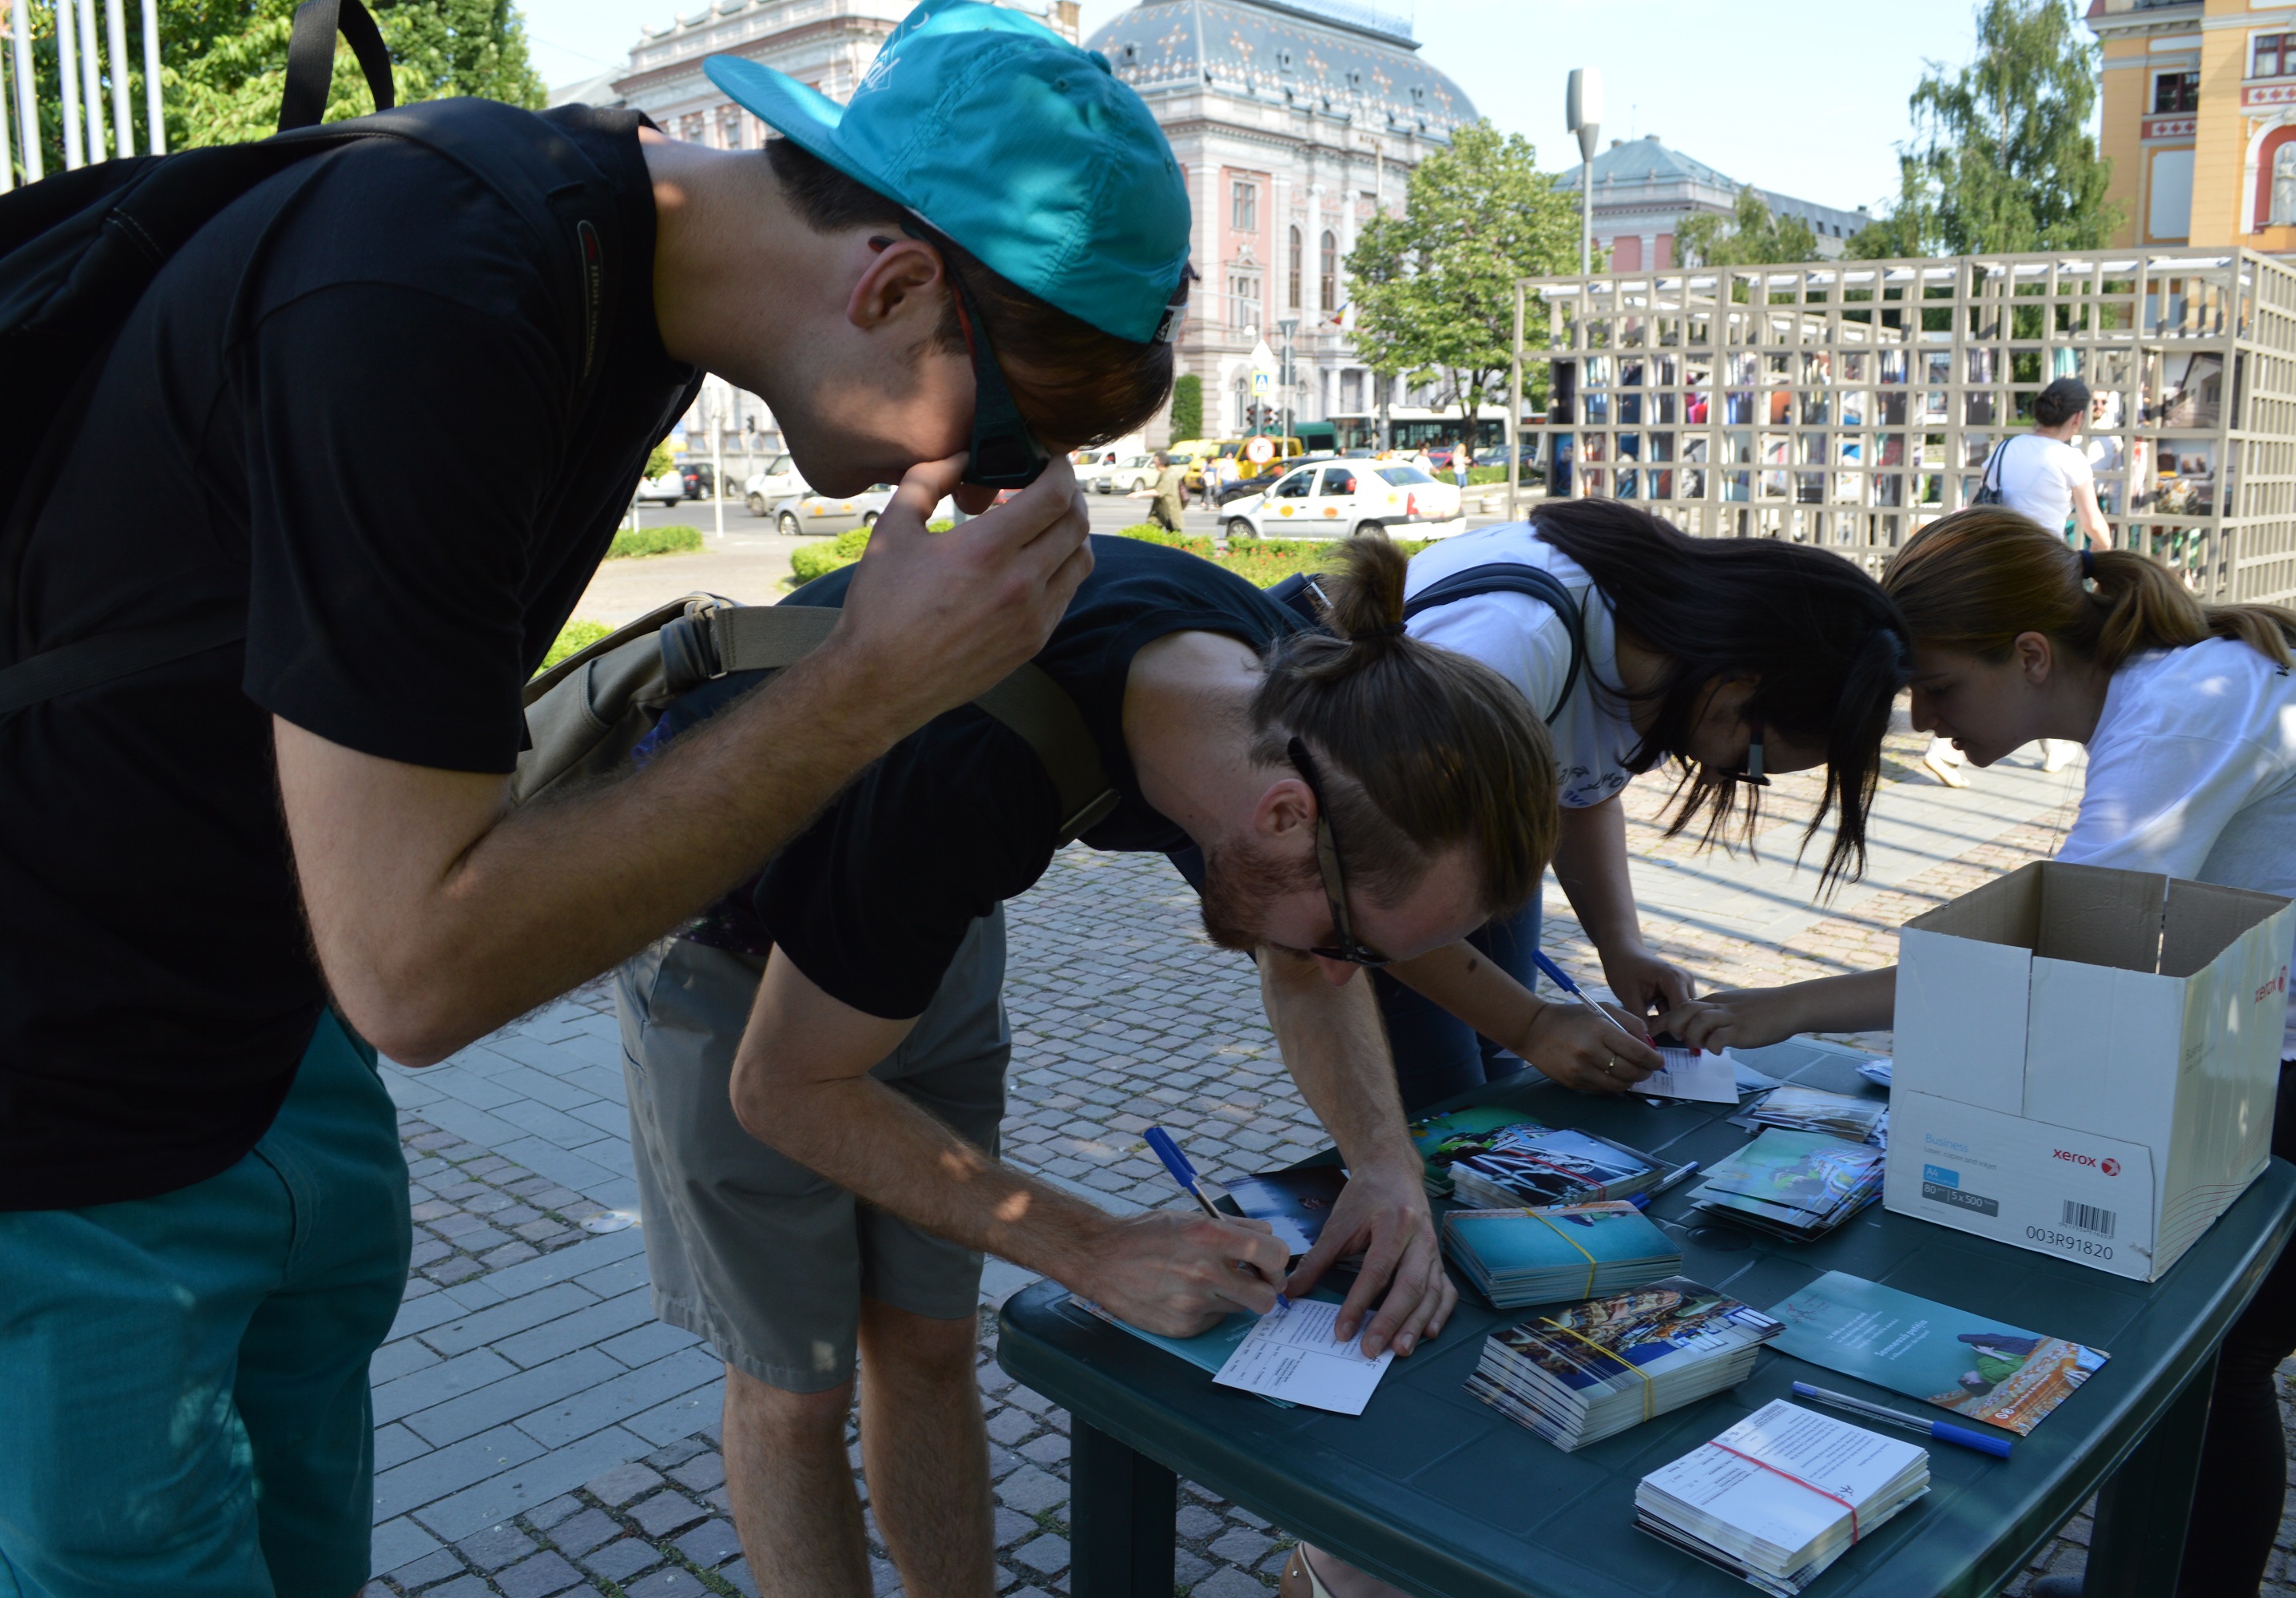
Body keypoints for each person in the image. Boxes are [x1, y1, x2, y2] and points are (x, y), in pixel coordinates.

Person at [0, 0, 1191, 1588]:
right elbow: (416, 968)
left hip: (263, 1041)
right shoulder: (434, 283)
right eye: (1003, 442)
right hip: (64, 1100)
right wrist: (863, 688)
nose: (983, 494)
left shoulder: (613, 277)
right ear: (897, 283)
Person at [620, 534, 1558, 1596]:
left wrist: (1386, 1167)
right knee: (796, 1388)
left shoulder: (1299, 714)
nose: (1352, 977)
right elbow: (784, 1089)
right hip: (732, 931)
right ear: (1285, 817)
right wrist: (1095, 1248)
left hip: (919, 913)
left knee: (928, 1342)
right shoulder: (968, 769)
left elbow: (1304, 969)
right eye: (1357, 942)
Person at [1661, 507, 2296, 1598]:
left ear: (2033, 655)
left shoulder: (2177, 720)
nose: (1923, 718)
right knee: (2198, 1350)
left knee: (2211, 1354)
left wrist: (1787, 1007)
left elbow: (2045, 972)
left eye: (1942, 687)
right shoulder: (2185, 681)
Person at [1361, 499, 1913, 1112]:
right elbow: (1367, 889)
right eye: (1751, 761)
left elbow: (1583, 789)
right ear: (1739, 685)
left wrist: (1620, 944)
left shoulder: (1664, 664)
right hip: (1368, 862)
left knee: (1493, 1069)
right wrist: (1532, 1025)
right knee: (1441, 1092)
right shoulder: (1511, 647)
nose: (1726, 774)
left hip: (1471, 837)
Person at [1928, 376, 2113, 785]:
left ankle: (2050, 746)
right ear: (2078, 417)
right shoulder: (2071, 459)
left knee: (2008, 653)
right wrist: (2107, 558)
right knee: (2052, 655)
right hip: (2044, 566)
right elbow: (2092, 523)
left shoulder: (2006, 447)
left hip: (1996, 560)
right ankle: (1946, 749)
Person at [1150, 448, 1188, 535]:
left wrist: (1137, 494)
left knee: (1174, 536)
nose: (1154, 463)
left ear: (1161, 462)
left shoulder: (1168, 474)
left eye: (1155, 460)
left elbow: (1158, 492)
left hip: (1170, 512)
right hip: (1164, 511)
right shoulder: (1166, 473)